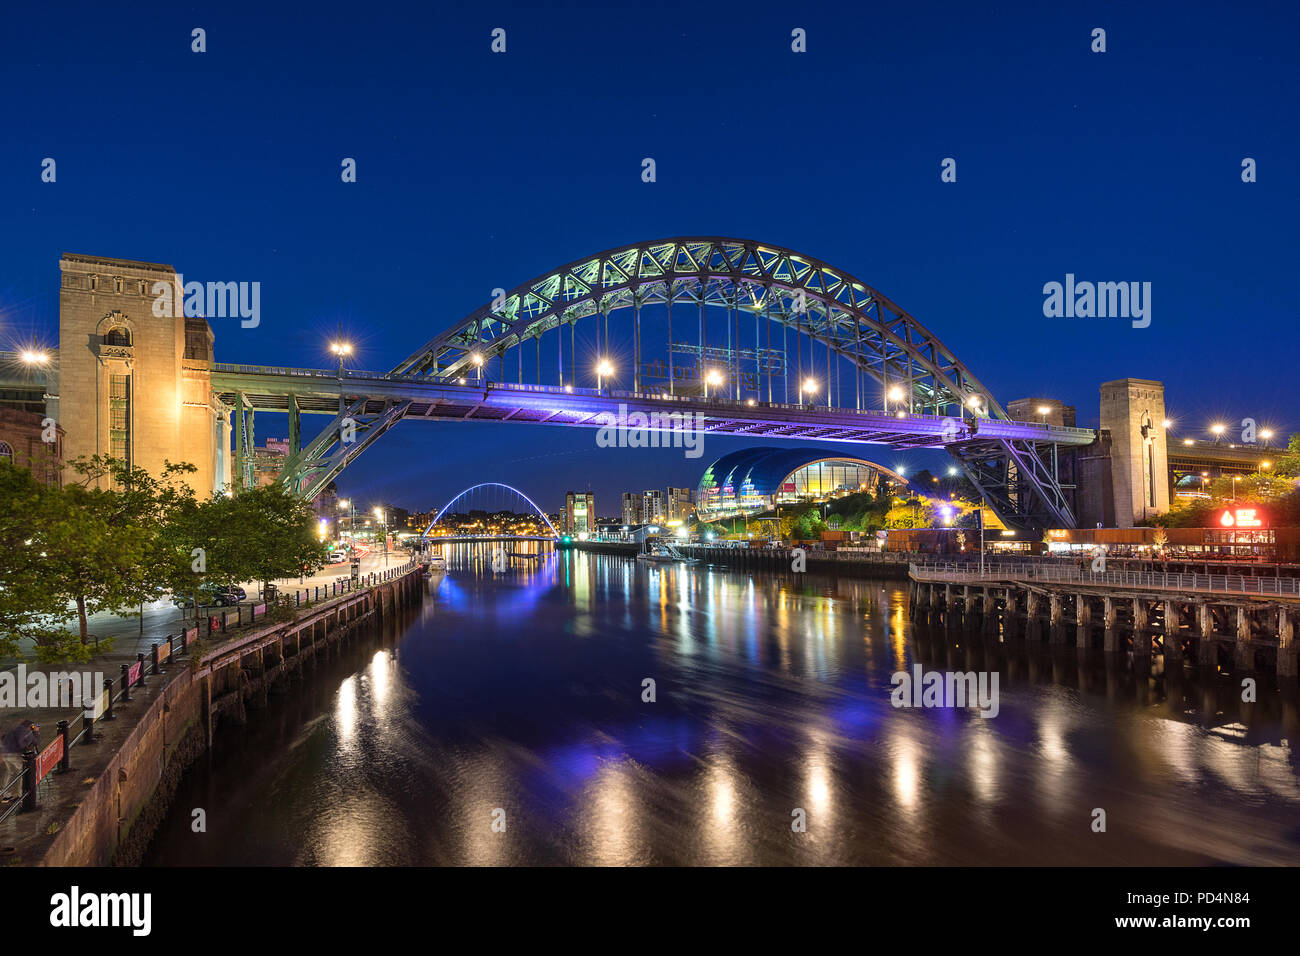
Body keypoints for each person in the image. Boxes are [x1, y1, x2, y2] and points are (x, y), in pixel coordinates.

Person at [1, 719, 40, 802]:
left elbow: (3, 738)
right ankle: (21, 794)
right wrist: (35, 732)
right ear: (30, 726)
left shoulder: (15, 729)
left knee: (10, 772)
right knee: (23, 772)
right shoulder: (27, 731)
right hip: (14, 754)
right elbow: (34, 742)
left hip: (5, 753)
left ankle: (6, 794)